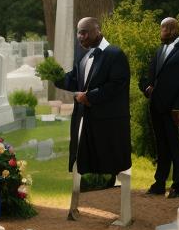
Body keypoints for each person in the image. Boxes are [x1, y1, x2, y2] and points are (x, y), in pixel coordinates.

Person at [54, 17, 132, 180]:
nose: (81, 37)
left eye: (84, 32)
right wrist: (54, 76)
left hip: (108, 122)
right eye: (78, 33)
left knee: (109, 166)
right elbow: (74, 80)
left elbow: (117, 85)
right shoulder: (85, 56)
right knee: (87, 166)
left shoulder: (115, 54)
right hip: (86, 120)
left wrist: (89, 97)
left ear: (97, 31)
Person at [140, 17, 179, 198]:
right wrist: (147, 87)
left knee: (176, 147)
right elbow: (150, 76)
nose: (161, 33)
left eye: (163, 30)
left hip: (175, 110)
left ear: (172, 30)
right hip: (156, 107)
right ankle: (159, 183)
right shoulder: (159, 50)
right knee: (162, 146)